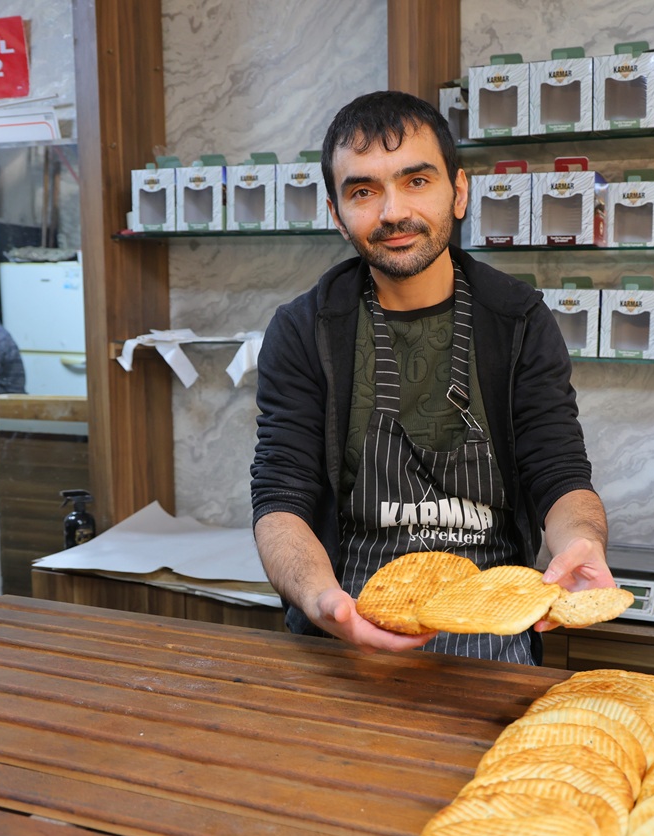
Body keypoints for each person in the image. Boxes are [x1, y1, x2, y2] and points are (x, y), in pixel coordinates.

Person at [250, 90, 614, 665]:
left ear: (459, 191)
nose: (393, 212)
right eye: (363, 191)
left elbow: (558, 470)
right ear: (336, 215)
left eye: (416, 181)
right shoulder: (305, 329)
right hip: (349, 629)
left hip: (493, 639)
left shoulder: (516, 319)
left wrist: (580, 542)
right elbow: (282, 496)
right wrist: (323, 602)